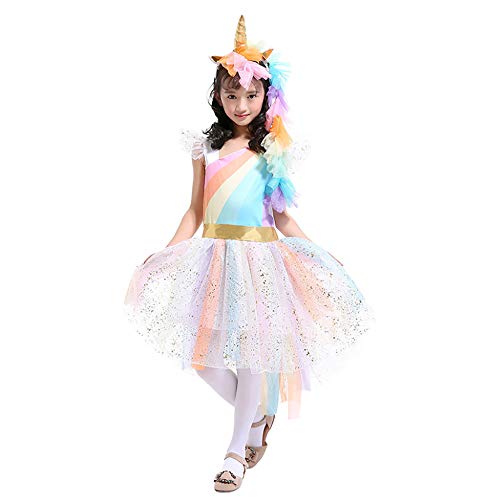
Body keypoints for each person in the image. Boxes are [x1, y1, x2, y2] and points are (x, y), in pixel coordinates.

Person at [123, 14, 375, 492]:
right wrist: (165, 252)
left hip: (260, 262)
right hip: (214, 259)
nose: (241, 105)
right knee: (203, 356)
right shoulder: (205, 148)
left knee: (253, 354)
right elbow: (195, 212)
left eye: (251, 95)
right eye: (231, 95)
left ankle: (236, 451)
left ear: (266, 97)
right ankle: (259, 415)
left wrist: (319, 250)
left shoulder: (272, 150)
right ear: (217, 96)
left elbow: (281, 217)